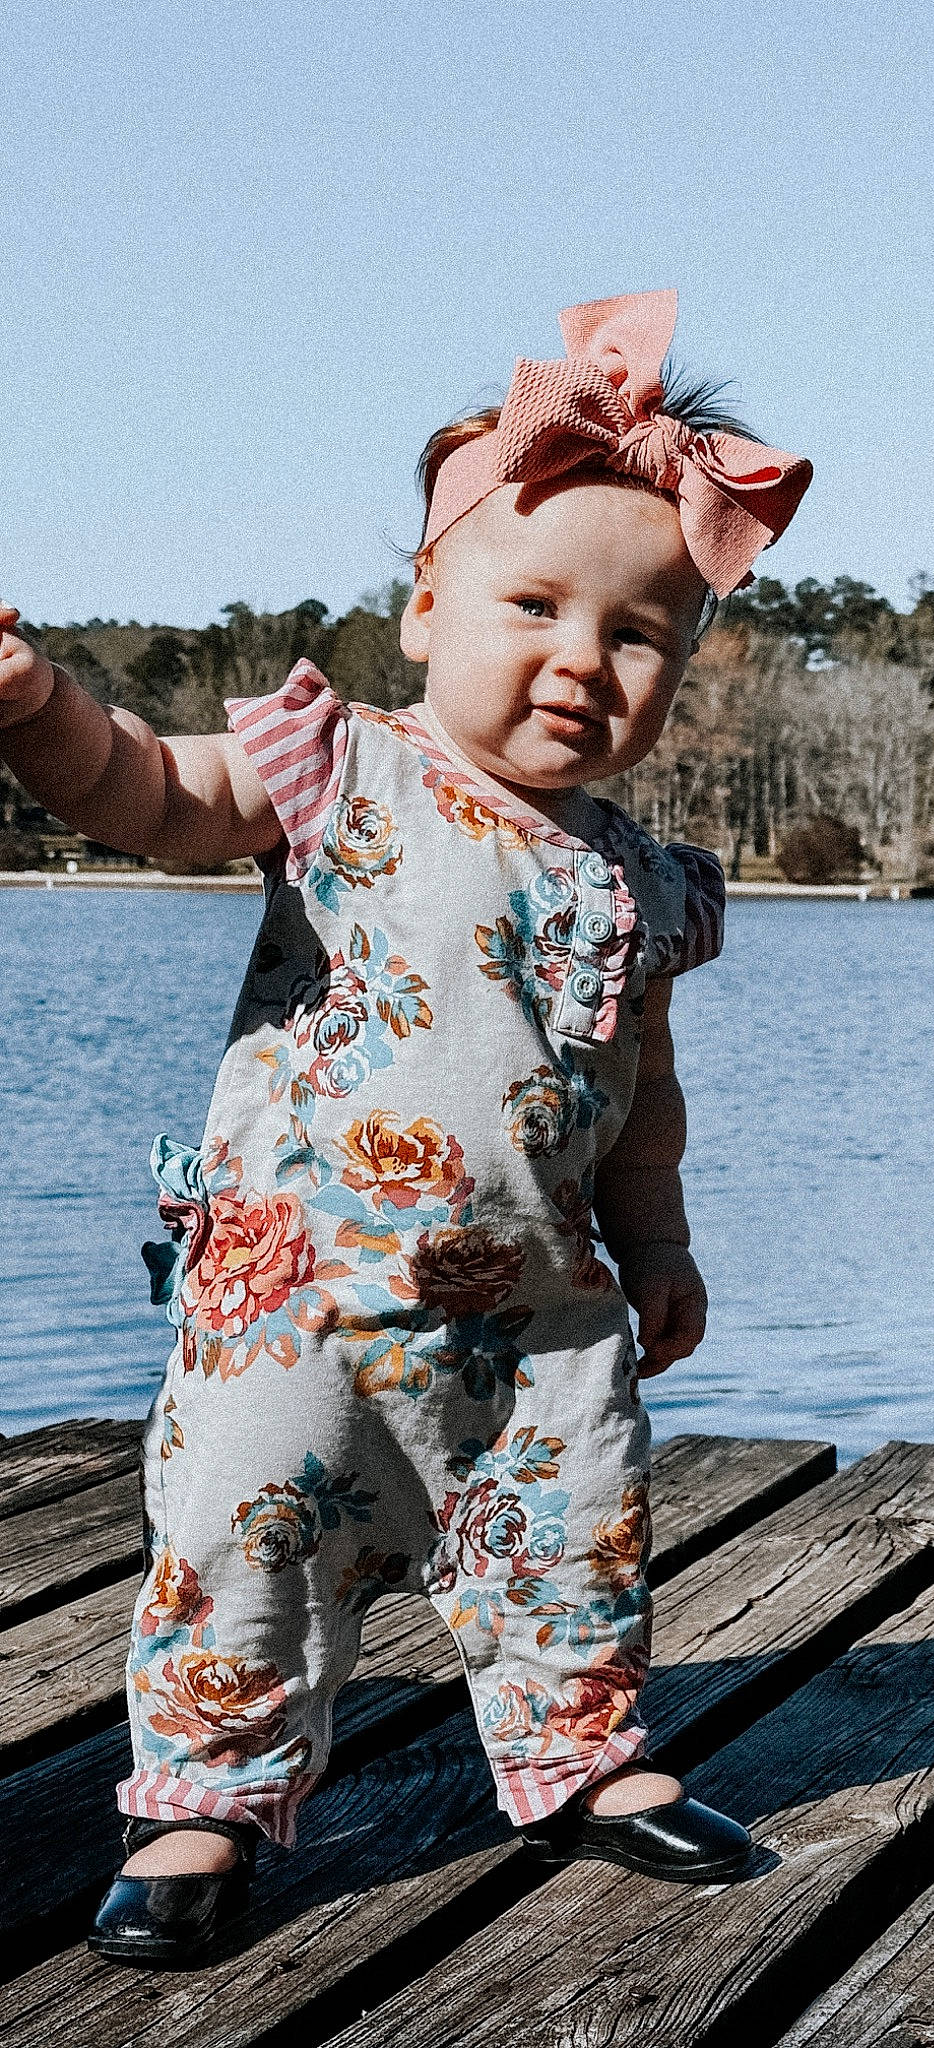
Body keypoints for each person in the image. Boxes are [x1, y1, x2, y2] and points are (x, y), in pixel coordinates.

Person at [0, 289, 811, 1966]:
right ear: (427, 608)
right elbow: (151, 792)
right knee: (244, 1535)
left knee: (575, 1527)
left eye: (640, 635)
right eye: (535, 606)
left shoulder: (641, 881)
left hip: (540, 1306)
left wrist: (659, 1240)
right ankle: (205, 1799)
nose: (582, 661)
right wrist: (38, 709)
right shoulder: (339, 771)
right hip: (299, 1298)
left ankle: (581, 1754)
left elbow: (641, 1089)